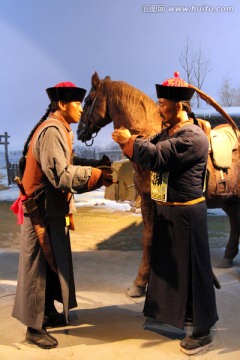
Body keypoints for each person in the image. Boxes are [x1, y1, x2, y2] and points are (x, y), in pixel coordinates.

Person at [112, 72, 218, 355]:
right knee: (174, 270)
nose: (159, 109)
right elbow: (150, 148)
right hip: (169, 214)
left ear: (180, 106)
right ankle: (184, 317)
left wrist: (129, 141)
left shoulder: (192, 136)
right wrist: (132, 143)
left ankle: (203, 330)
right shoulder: (169, 132)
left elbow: (157, 157)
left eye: (162, 104)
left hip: (187, 216)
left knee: (194, 272)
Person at [11, 81, 113, 349]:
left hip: (51, 210)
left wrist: (94, 166)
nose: (81, 109)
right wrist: (95, 176)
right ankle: (34, 328)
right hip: (41, 211)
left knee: (49, 263)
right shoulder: (53, 130)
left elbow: (66, 163)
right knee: (37, 267)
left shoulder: (60, 129)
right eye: (77, 104)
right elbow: (60, 175)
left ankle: (45, 312)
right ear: (61, 105)